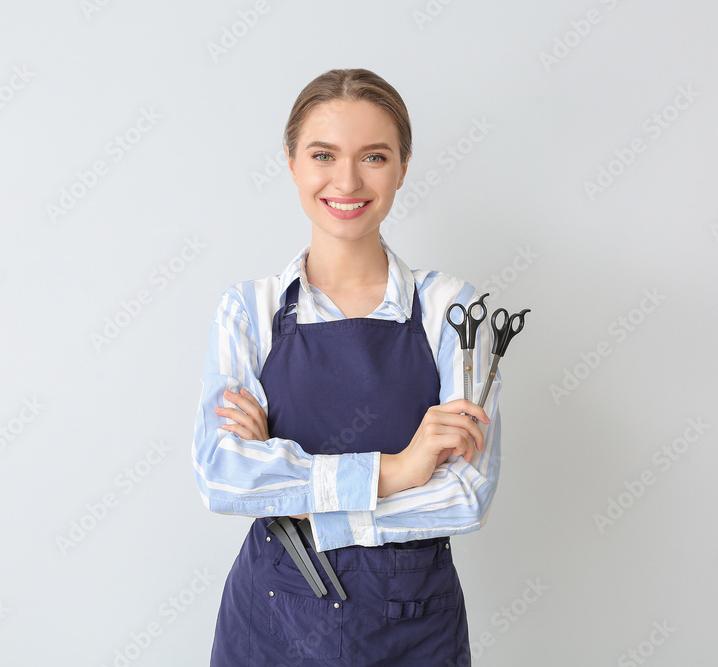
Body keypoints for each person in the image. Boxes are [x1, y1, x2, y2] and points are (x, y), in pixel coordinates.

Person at [192, 68, 502, 666]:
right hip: (271, 618)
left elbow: (466, 494)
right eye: (323, 154)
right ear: (291, 163)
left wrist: (299, 497)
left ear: (404, 167)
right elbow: (222, 476)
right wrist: (401, 469)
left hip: (413, 627)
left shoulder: (451, 311)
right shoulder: (248, 311)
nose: (347, 180)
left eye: (375, 157)